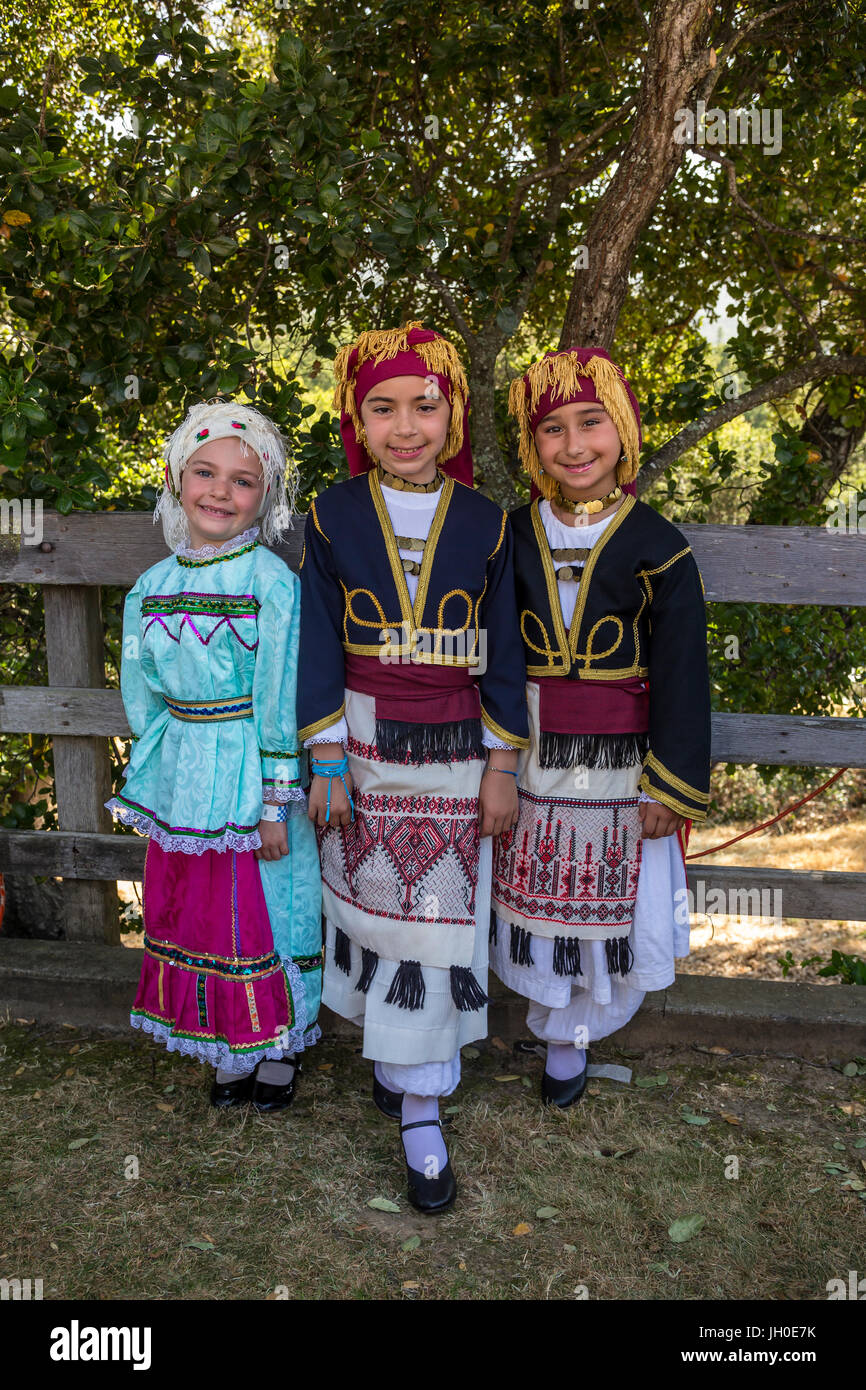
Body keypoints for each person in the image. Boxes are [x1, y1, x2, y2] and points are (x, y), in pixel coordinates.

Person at [297, 322, 529, 1211]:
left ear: (454, 415)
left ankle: (423, 1104)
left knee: (439, 921)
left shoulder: (487, 523)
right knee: (377, 911)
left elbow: (505, 650)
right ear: (357, 418)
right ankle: (400, 1065)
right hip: (359, 742)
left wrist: (503, 765)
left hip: (457, 749)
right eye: (382, 408)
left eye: (424, 408)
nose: (405, 427)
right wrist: (324, 756)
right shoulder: (330, 513)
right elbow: (318, 639)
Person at [491, 347, 711, 1107]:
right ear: (532, 444)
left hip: (624, 774)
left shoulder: (661, 546)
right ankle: (551, 1027)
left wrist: (671, 786)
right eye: (552, 428)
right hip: (531, 760)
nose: (574, 445)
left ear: (623, 430)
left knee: (609, 914)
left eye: (591, 422)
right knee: (540, 907)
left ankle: (571, 1043)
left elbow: (685, 674)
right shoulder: (509, 536)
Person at [107, 400, 322, 1112]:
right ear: (175, 477)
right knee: (195, 907)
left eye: (243, 481)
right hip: (186, 778)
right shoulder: (152, 590)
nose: (220, 492)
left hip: (248, 769)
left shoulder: (270, 585)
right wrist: (163, 776)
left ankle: (277, 1045)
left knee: (259, 904)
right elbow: (143, 697)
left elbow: (280, 697)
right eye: (205, 472)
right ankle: (224, 1040)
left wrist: (271, 801)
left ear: (267, 496)